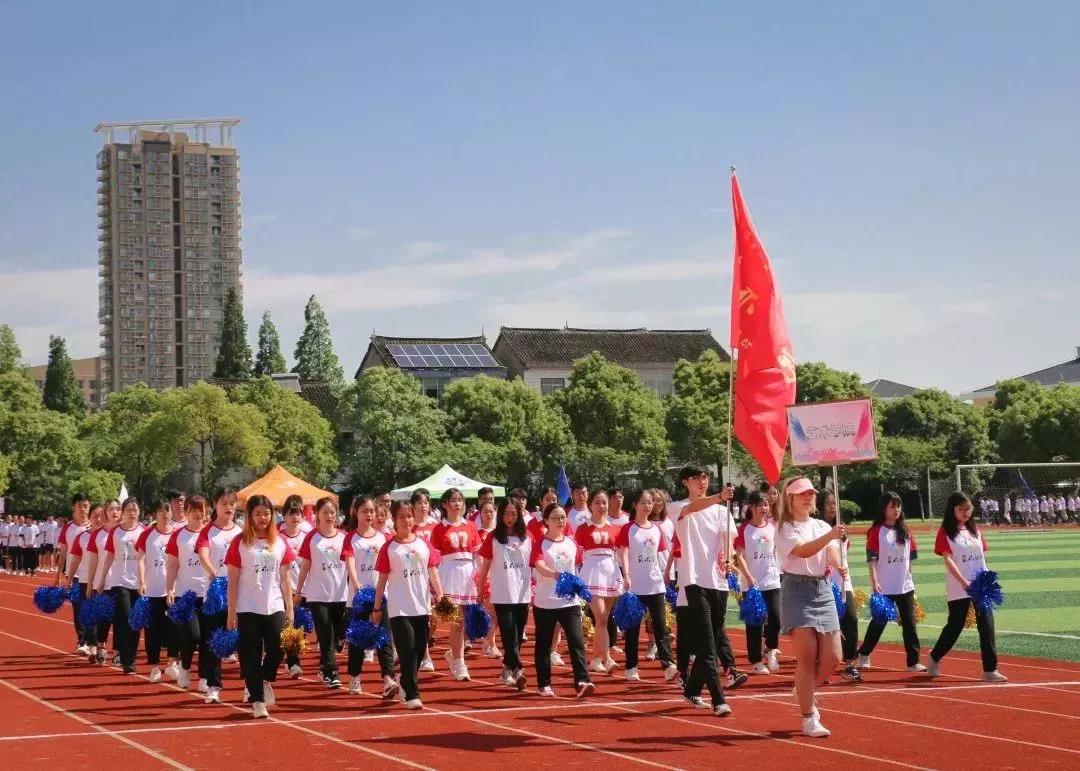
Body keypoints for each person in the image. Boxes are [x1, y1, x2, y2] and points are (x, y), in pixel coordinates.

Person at [774, 476, 846, 738]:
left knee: (833, 657)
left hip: (822, 588)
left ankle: (805, 689)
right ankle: (808, 718)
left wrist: (838, 563)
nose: (808, 497)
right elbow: (803, 551)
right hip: (796, 589)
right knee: (807, 655)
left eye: (811, 494)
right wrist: (831, 535)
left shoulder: (820, 524)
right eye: (802, 493)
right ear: (790, 498)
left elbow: (830, 550)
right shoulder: (784, 528)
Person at [670, 464, 738, 717]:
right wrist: (719, 496)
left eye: (706, 477)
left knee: (713, 638)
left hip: (718, 582)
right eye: (698, 478)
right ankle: (719, 700)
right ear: (686, 482)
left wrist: (729, 556)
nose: (703, 481)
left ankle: (691, 689)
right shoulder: (676, 507)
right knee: (708, 646)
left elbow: (729, 540)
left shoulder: (723, 511)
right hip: (693, 581)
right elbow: (694, 507)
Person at [225, 494, 296, 719]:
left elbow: (285, 579)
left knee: (278, 645)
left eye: (266, 513)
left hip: (274, 604)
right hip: (247, 607)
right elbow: (233, 581)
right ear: (249, 516)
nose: (262, 518)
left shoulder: (280, 542)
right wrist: (231, 612)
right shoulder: (240, 542)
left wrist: (290, 608)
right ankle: (257, 700)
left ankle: (264, 677)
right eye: (257, 514)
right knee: (250, 655)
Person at [371, 500, 444, 709]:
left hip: (422, 606)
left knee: (420, 650)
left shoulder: (423, 544)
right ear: (394, 519)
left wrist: (440, 595)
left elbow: (432, 571)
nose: (407, 520)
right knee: (407, 648)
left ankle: (405, 679)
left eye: (409, 516)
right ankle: (412, 693)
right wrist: (377, 608)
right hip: (399, 609)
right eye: (402, 517)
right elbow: (382, 580)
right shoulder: (389, 547)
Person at [927, 492, 1007, 682]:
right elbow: (948, 560)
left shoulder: (974, 530)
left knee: (987, 626)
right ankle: (934, 657)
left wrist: (987, 580)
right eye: (961, 509)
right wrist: (963, 582)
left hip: (981, 585)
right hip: (959, 586)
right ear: (952, 510)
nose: (965, 512)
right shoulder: (946, 532)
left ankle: (990, 669)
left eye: (968, 509)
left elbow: (981, 557)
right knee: (956, 625)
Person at [530, 502, 595, 698]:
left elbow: (576, 568)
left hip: (569, 602)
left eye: (562, 517)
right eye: (555, 518)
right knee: (544, 643)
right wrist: (556, 575)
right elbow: (539, 566)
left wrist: (578, 586)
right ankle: (544, 683)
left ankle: (582, 681)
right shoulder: (540, 543)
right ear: (546, 520)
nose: (560, 521)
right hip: (546, 601)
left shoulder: (571, 543)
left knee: (576, 641)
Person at [857, 491, 924, 672]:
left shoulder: (906, 531)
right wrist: (875, 582)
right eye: (892, 506)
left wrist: (910, 578)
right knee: (879, 622)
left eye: (898, 506)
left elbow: (910, 558)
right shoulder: (876, 531)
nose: (896, 510)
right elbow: (872, 559)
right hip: (885, 586)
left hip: (905, 586)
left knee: (910, 624)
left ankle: (913, 662)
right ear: (884, 508)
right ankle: (864, 653)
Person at [616, 489, 677, 682]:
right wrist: (626, 575)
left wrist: (666, 574)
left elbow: (661, 555)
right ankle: (631, 666)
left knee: (661, 625)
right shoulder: (628, 528)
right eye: (643, 502)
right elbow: (623, 553)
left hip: (655, 584)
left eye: (649, 502)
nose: (647, 506)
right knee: (633, 627)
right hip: (635, 585)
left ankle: (668, 664)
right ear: (635, 505)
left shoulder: (656, 529)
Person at [341, 495, 399, 699]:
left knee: (384, 638)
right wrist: (357, 586)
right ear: (356, 513)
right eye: (365, 511)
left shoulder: (383, 538)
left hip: (380, 595)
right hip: (358, 598)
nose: (369, 515)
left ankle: (388, 679)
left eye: (372, 511)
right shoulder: (351, 538)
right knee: (358, 639)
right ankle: (355, 676)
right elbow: (349, 562)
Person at [477, 499, 532, 690]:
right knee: (509, 634)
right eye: (507, 514)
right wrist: (479, 591)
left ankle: (508, 670)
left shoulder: (527, 537)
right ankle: (519, 669)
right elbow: (484, 567)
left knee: (517, 633)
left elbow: (534, 563)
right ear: (501, 515)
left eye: (514, 514)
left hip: (522, 593)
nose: (510, 518)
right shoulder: (493, 538)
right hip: (502, 592)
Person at [295, 497, 349, 689]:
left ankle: (324, 666)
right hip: (317, 595)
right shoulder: (311, 537)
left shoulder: (344, 537)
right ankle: (331, 672)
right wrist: (299, 590)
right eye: (325, 512)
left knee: (337, 636)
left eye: (332, 512)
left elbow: (351, 565)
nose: (329, 516)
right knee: (325, 635)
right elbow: (305, 566)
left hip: (341, 595)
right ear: (317, 514)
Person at [194, 488, 242, 703]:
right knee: (214, 639)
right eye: (224, 503)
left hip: (240, 594)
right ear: (215, 506)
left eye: (232, 503)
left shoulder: (241, 532)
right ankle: (214, 685)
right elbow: (203, 555)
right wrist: (214, 573)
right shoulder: (207, 532)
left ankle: (251, 686)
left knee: (244, 641)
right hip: (215, 595)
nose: (228, 507)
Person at [429, 487, 482, 681]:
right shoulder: (438, 528)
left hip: (468, 573)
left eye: (460, 499)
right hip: (448, 572)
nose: (458, 503)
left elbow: (477, 554)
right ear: (444, 504)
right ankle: (459, 662)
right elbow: (433, 557)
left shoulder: (470, 526)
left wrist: (481, 576)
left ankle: (455, 656)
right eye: (453, 500)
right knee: (453, 619)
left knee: (463, 620)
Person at [165, 495, 212, 691]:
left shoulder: (211, 534)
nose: (198, 514)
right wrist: (169, 589)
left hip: (209, 594)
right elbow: (173, 564)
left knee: (207, 638)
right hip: (186, 594)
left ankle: (204, 676)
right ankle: (184, 667)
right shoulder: (178, 535)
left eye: (202, 510)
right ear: (187, 512)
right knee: (193, 634)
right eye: (194, 510)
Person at [95, 498, 146, 674]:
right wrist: (102, 580)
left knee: (135, 622)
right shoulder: (115, 532)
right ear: (123, 512)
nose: (132, 513)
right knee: (124, 619)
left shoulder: (143, 531)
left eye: (135, 510)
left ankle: (129, 658)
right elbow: (109, 556)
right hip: (119, 582)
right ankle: (125, 659)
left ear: (139, 512)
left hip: (138, 583)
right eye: (129, 510)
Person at [575, 489, 623, 674]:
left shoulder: (614, 528)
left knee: (605, 618)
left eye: (604, 502)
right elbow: (577, 554)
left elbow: (620, 552)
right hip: (591, 571)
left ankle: (599, 658)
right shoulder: (583, 528)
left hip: (610, 571)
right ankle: (604, 658)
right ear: (591, 505)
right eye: (597, 502)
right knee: (600, 616)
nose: (601, 506)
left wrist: (625, 574)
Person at [734, 491, 782, 675]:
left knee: (775, 618)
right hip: (751, 584)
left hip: (772, 580)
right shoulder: (745, 529)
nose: (764, 508)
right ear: (751, 507)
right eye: (760, 505)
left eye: (766, 505)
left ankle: (770, 649)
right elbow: (738, 555)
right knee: (754, 623)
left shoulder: (773, 527)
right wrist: (747, 576)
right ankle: (755, 660)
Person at [821, 491, 861, 683]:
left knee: (851, 620)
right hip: (824, 583)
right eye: (828, 503)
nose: (831, 506)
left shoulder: (842, 529)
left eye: (834, 503)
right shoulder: (818, 527)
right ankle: (822, 666)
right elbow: (828, 551)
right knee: (825, 627)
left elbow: (844, 550)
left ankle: (850, 664)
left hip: (844, 583)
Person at [135, 499, 176, 683]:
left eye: (167, 510)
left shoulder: (177, 534)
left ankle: (173, 663)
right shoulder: (147, 535)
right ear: (155, 514)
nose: (165, 514)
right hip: (153, 590)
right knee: (153, 630)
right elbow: (141, 560)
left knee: (174, 628)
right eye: (161, 511)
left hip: (174, 590)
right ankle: (154, 667)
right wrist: (142, 581)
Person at [84, 499, 121, 664]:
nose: (115, 512)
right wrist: (90, 583)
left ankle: (119, 650)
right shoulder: (97, 535)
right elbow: (93, 562)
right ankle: (101, 646)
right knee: (104, 617)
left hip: (123, 582)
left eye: (118, 509)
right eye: (111, 509)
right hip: (103, 582)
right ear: (106, 512)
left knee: (121, 618)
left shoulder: (126, 532)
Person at [66, 504, 103, 662]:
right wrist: (69, 579)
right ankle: (93, 646)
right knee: (88, 615)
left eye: (101, 516)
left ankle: (100, 644)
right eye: (95, 515)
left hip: (104, 582)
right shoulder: (82, 537)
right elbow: (75, 560)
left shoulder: (109, 536)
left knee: (103, 616)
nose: (98, 519)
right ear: (90, 517)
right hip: (84, 580)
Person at [56, 493, 91, 654]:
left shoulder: (95, 526)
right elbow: (63, 552)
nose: (83, 509)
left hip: (93, 574)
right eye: (79, 506)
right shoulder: (68, 528)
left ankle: (95, 640)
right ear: (73, 508)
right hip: (75, 574)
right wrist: (58, 574)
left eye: (85, 506)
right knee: (78, 607)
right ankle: (82, 639)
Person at [277, 499, 307, 677]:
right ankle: (293, 662)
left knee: (301, 626)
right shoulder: (278, 537)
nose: (295, 517)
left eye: (298, 513)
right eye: (291, 513)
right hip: (284, 588)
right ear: (284, 516)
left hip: (304, 589)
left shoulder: (307, 536)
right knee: (289, 624)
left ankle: (292, 659)